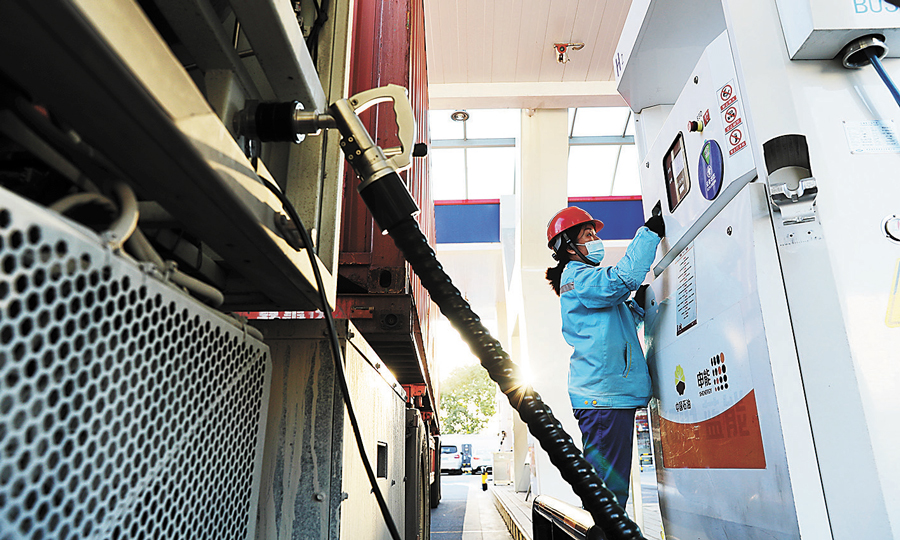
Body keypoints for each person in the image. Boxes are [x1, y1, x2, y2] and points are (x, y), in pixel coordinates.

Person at [545, 206, 664, 509]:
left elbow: (612, 328)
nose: (596, 239)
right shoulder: (580, 277)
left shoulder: (583, 281)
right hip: (602, 399)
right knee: (607, 499)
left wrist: (636, 308)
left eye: (595, 233)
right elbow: (622, 279)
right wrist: (648, 234)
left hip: (608, 398)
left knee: (611, 494)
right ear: (568, 246)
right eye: (588, 234)